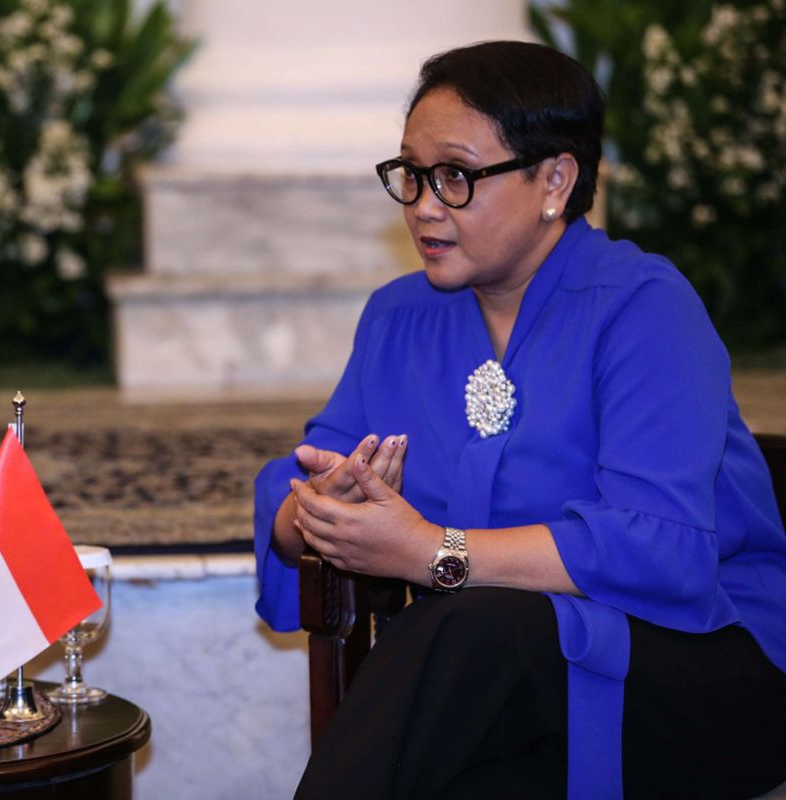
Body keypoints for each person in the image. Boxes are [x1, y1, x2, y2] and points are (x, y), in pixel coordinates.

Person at [253, 40, 786, 800]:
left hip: (698, 667)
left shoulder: (643, 307)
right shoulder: (399, 317)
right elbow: (303, 470)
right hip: (510, 685)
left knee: (462, 624)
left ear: (555, 180)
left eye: (457, 177)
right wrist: (317, 511)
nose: (424, 205)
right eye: (411, 174)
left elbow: (660, 546)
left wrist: (432, 551)